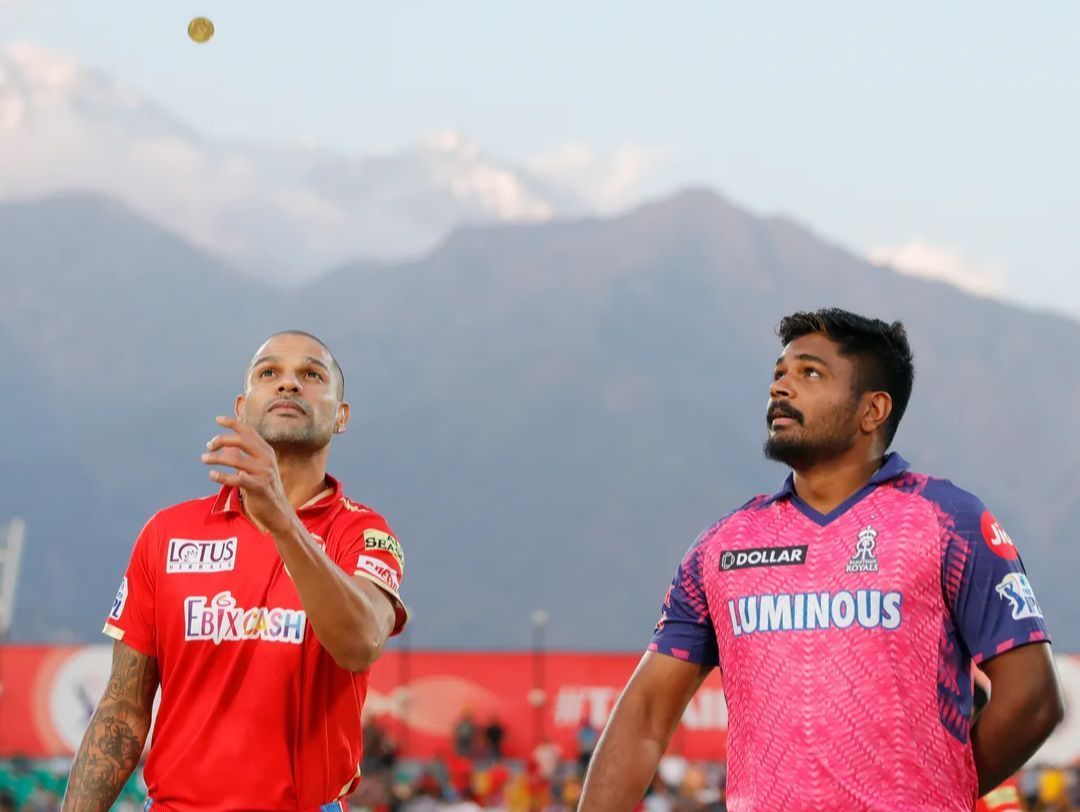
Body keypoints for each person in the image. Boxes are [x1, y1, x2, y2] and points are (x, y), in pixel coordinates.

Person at [580, 308, 1064, 811]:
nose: (781, 388)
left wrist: (939, 792)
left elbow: (1032, 698)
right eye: (779, 374)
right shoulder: (723, 546)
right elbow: (644, 716)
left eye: (809, 373)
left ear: (872, 410)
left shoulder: (947, 520)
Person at [63, 331, 409, 812]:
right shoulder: (167, 533)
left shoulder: (364, 534)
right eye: (270, 373)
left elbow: (360, 644)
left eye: (311, 374)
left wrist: (283, 522)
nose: (289, 385)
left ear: (342, 416)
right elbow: (122, 712)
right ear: (243, 407)